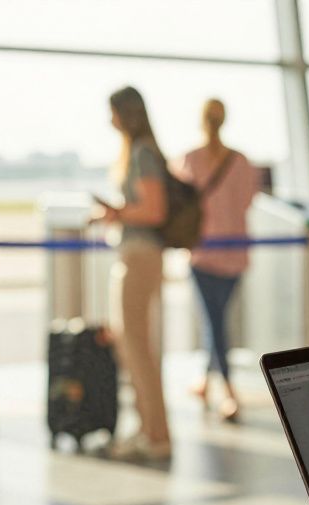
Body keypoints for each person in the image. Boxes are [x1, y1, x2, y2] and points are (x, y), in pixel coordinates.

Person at [91, 86, 171, 461]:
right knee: (134, 345)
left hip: (139, 256)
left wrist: (116, 213)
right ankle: (148, 428)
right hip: (137, 254)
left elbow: (153, 212)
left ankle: (154, 433)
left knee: (137, 347)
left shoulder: (142, 154)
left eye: (113, 112)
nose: (109, 120)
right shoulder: (142, 153)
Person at [178, 98, 259, 422]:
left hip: (202, 253)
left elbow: (180, 203)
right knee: (216, 319)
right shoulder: (241, 162)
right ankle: (206, 380)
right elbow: (248, 201)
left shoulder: (190, 159)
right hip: (235, 254)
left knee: (214, 322)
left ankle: (227, 390)